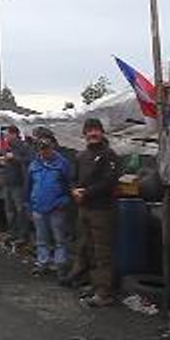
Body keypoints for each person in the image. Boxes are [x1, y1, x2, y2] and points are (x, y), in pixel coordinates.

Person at [67, 118, 121, 306]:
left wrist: (86, 192)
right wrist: (74, 190)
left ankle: (104, 293)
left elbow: (109, 182)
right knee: (87, 248)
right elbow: (73, 178)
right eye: (89, 131)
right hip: (84, 209)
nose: (92, 134)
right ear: (84, 134)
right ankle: (94, 284)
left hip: (102, 210)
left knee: (102, 252)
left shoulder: (110, 155)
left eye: (96, 130)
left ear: (102, 132)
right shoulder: (81, 156)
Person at [28, 136, 75, 276]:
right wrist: (28, 203)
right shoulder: (34, 165)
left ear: (52, 148)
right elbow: (29, 185)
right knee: (41, 238)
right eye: (41, 149)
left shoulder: (63, 164)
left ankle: (59, 264)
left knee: (59, 238)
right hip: (38, 207)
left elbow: (70, 185)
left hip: (56, 208)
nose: (44, 152)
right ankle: (43, 262)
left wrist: (64, 201)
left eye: (47, 148)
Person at [2, 126, 34, 245]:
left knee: (20, 210)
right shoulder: (8, 147)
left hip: (19, 183)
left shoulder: (23, 146)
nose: (5, 137)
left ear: (14, 134)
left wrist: (14, 158)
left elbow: (29, 160)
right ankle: (12, 232)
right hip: (8, 182)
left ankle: (22, 235)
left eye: (7, 135)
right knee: (9, 210)